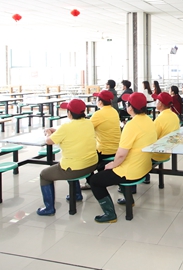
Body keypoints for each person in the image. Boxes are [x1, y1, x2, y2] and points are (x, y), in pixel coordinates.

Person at [89, 92, 157, 223]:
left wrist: (113, 165)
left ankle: (110, 214)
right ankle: (129, 199)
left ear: (130, 108)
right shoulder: (149, 120)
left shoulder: (131, 125)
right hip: (144, 166)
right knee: (106, 169)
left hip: (130, 171)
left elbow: (121, 155)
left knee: (94, 180)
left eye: (127, 103)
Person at [37, 99, 98, 216]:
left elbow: (49, 141)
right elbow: (71, 131)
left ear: (69, 113)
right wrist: (56, 131)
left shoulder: (66, 127)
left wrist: (48, 133)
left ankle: (49, 208)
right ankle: (76, 194)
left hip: (75, 168)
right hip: (91, 164)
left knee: (44, 175)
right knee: (71, 162)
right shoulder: (89, 123)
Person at [78, 90, 121, 191]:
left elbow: (86, 128)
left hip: (105, 150)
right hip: (117, 148)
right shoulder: (114, 111)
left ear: (100, 102)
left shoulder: (99, 114)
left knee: (85, 159)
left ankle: (90, 182)